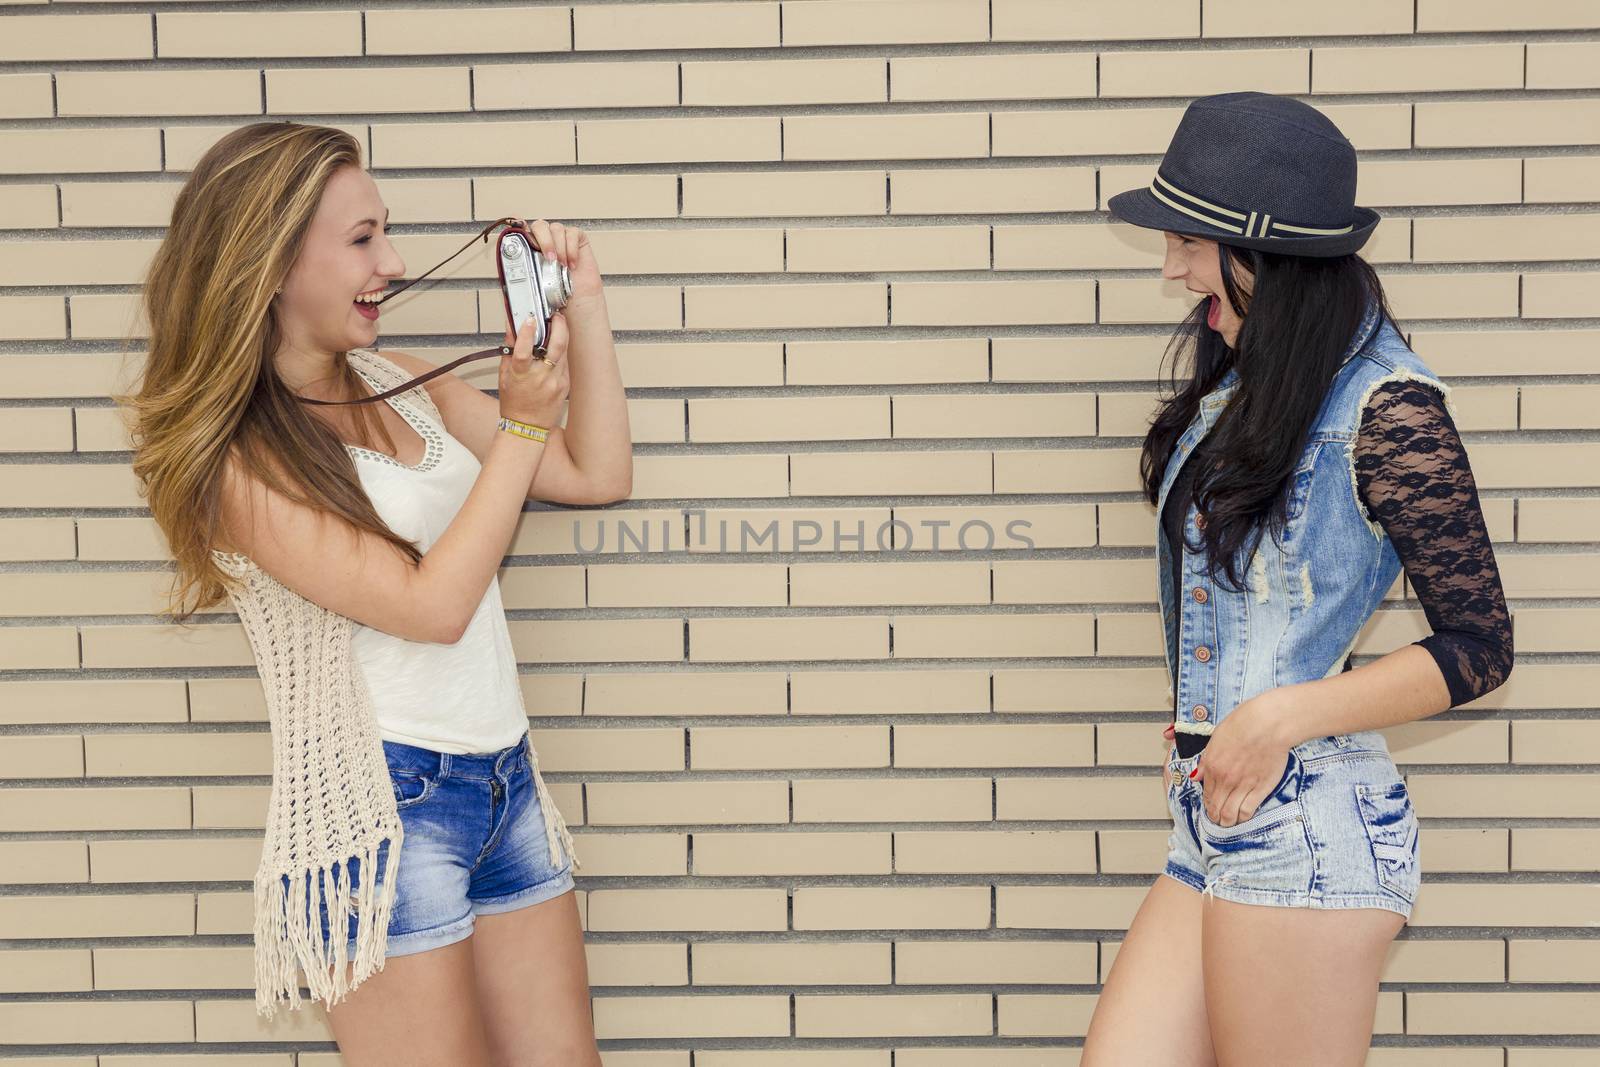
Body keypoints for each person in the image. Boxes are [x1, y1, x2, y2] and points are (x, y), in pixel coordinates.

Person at [124, 121, 630, 1065]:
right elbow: (432, 606)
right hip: (384, 816)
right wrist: (518, 432)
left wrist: (584, 310)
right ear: (270, 264)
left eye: (385, 233)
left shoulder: (397, 383)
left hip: (504, 783)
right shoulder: (238, 464)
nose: (392, 262)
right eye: (362, 239)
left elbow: (595, 471)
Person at [1080, 93, 1513, 1065]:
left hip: (1304, 825)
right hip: (1208, 813)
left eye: (1189, 240)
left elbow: (1480, 646)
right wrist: (1208, 713)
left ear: (1259, 248)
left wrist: (1275, 716)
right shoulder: (1247, 382)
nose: (1171, 266)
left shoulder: (1388, 407)